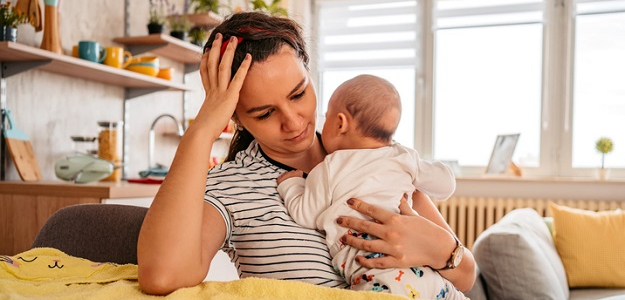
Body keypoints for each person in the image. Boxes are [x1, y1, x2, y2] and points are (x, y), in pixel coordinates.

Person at [136, 11, 476, 296]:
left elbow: (467, 274)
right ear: (235, 117)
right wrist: (202, 130)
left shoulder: (369, 151)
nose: (293, 121)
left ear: (310, 74)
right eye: (265, 113)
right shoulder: (233, 185)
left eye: (298, 94)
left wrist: (441, 250)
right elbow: (163, 276)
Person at [276, 75, 465, 299]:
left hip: (376, 274)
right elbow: (445, 186)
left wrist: (290, 184)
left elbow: (304, 214)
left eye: (326, 118)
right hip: (426, 272)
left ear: (340, 123)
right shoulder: (404, 157)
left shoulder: (329, 167)